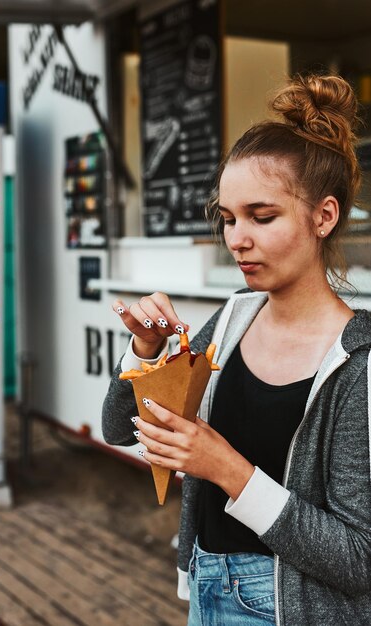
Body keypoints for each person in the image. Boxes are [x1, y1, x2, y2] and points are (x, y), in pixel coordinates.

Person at [102, 74, 371, 625]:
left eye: (261, 216)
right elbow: (120, 428)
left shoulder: (357, 365)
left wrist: (228, 470)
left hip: (288, 609)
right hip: (205, 585)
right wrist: (146, 350)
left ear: (324, 216)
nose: (236, 239)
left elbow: (357, 559)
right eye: (227, 219)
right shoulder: (231, 320)